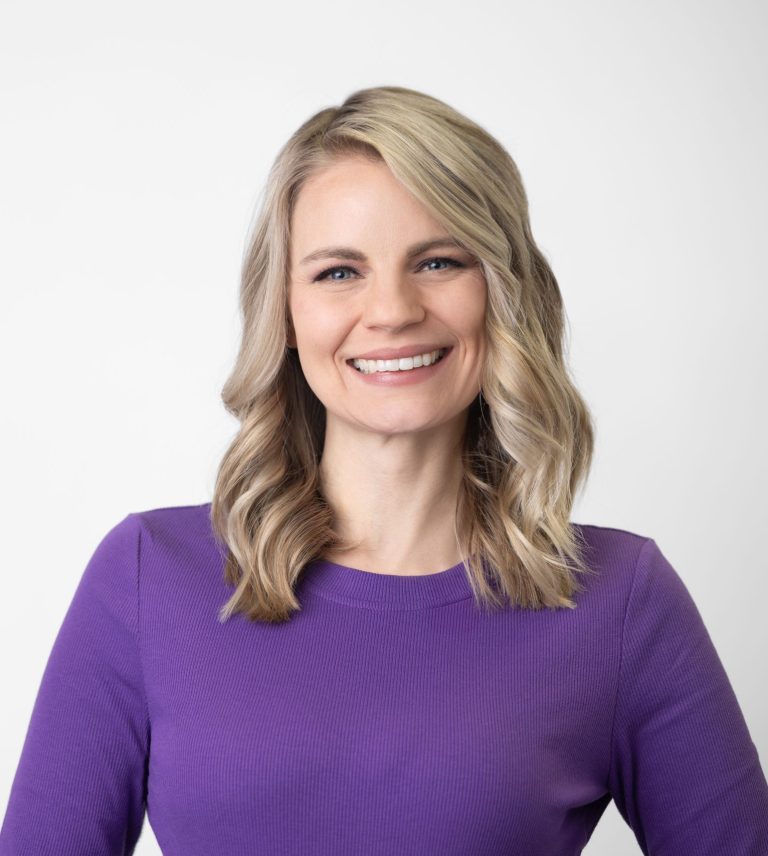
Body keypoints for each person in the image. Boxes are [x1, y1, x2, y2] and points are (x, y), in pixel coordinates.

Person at [1, 85, 766, 855]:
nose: (393, 310)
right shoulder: (147, 579)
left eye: (438, 262)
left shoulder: (620, 602)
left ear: (502, 293)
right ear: (285, 313)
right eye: (339, 272)